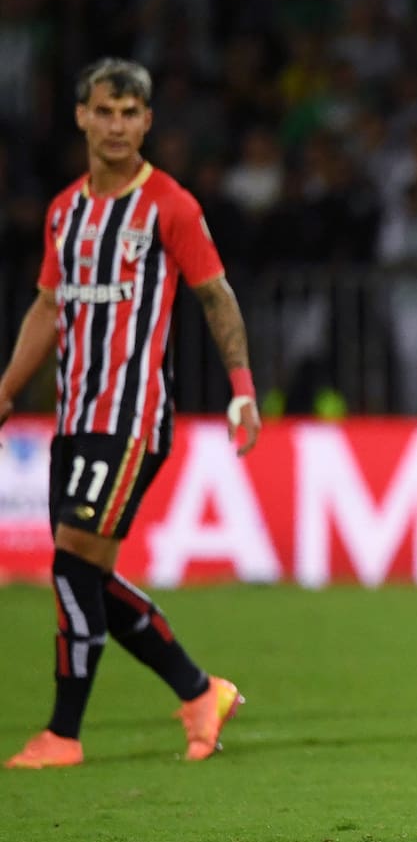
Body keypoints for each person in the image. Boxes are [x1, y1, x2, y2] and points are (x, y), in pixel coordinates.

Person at [0, 58, 262, 769]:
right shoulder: (65, 211)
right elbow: (49, 306)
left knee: (71, 565)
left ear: (147, 122)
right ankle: (199, 691)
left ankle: (62, 732)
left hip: (132, 418)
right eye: (105, 111)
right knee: (82, 570)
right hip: (74, 417)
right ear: (82, 116)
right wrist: (8, 386)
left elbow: (215, 293)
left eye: (130, 114)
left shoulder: (169, 205)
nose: (117, 125)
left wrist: (241, 384)